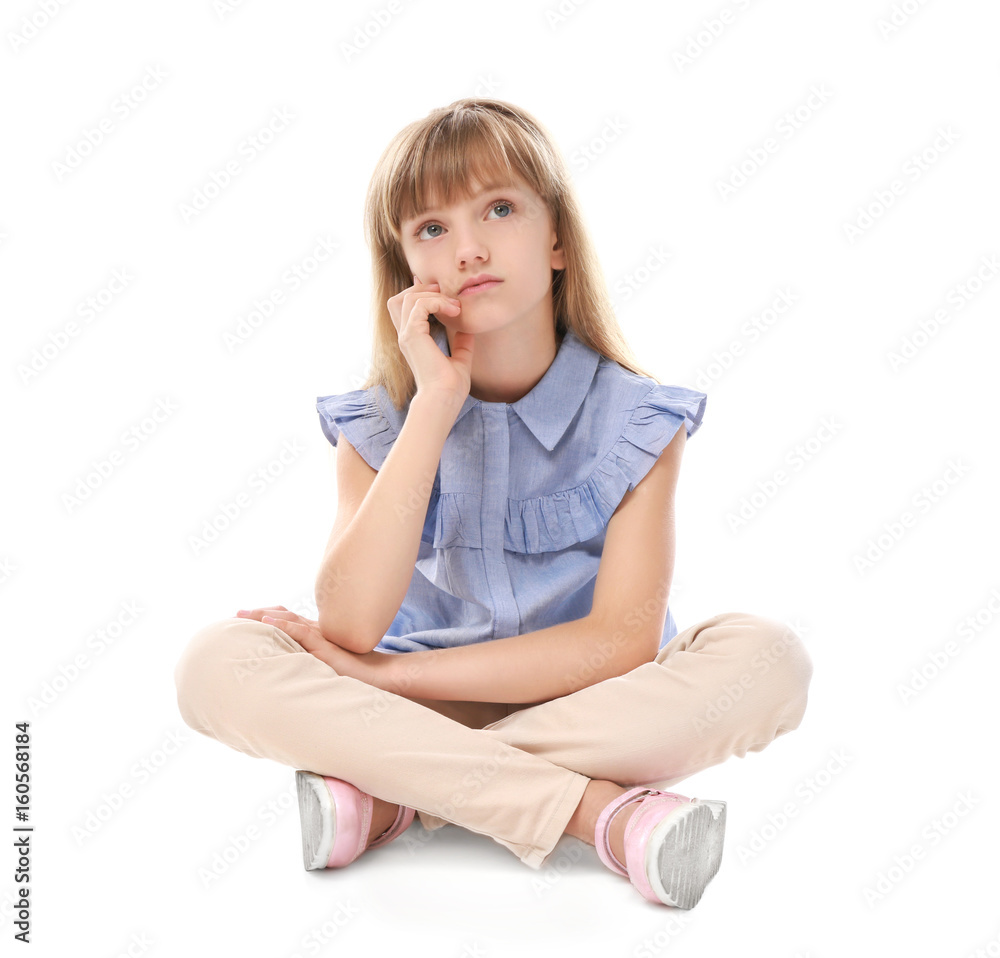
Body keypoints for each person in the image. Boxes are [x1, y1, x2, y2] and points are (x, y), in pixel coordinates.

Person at [173, 97, 814, 908]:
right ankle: (599, 814)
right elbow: (351, 627)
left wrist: (389, 694)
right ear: (405, 267)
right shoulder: (377, 420)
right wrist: (435, 403)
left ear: (555, 239)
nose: (468, 249)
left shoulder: (639, 417)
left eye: (500, 209)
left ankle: (401, 792)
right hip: (416, 691)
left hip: (587, 704)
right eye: (431, 229)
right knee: (213, 664)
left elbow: (618, 644)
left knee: (769, 658)